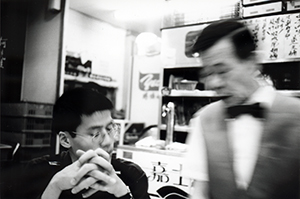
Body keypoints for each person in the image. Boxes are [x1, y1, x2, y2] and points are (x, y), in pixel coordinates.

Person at [183, 19, 300, 199]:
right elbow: (200, 191)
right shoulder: (204, 119)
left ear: (252, 62)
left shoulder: (296, 116)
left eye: (222, 71)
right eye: (207, 73)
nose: (213, 83)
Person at [17, 88, 150, 199]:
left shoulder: (132, 175)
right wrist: (54, 187)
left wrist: (122, 193)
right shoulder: (37, 172)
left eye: (110, 129)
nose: (108, 142)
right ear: (65, 140)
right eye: (95, 134)